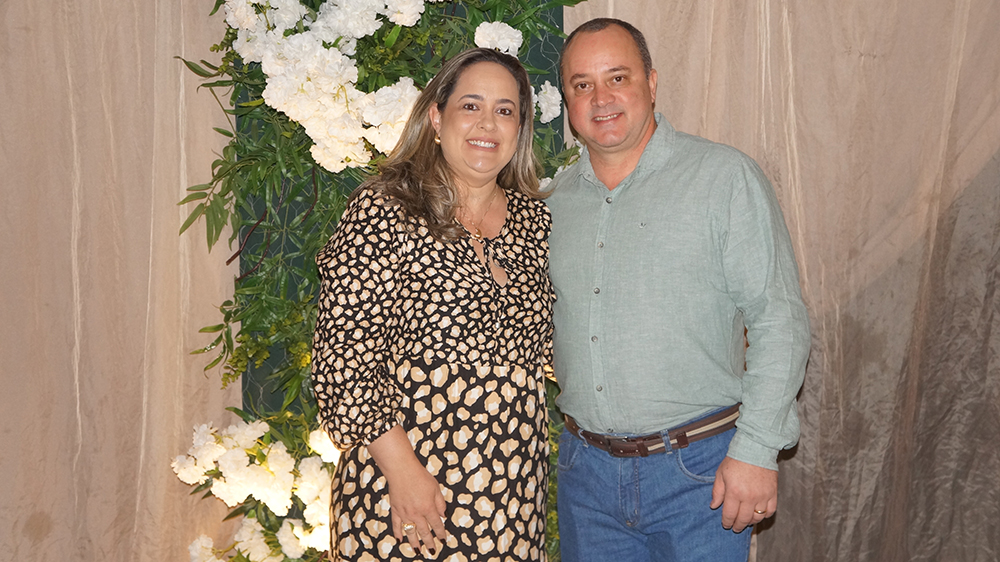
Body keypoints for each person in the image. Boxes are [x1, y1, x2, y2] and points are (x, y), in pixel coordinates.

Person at [546, 18, 811, 561]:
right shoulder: (551, 203)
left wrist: (757, 449)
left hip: (701, 475)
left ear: (651, 82)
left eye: (617, 77)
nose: (601, 98)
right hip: (585, 478)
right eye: (582, 84)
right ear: (567, 99)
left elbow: (778, 319)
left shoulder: (723, 178)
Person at [311, 48, 553, 561]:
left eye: (505, 110)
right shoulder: (385, 209)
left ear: (520, 128)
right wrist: (403, 473)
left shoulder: (539, 223)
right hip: (406, 490)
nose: (488, 123)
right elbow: (343, 359)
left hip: (513, 495)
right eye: (471, 105)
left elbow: (562, 347)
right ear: (437, 118)